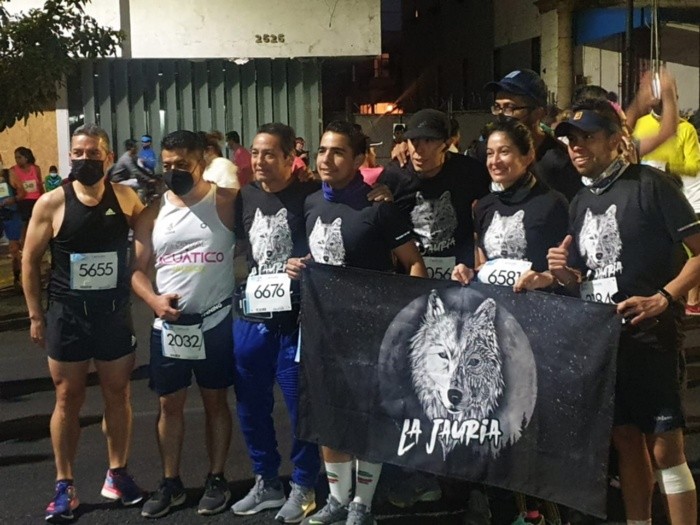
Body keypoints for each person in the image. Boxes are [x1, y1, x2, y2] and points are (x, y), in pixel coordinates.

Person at [518, 99, 699, 525]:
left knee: (665, 448)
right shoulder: (580, 200)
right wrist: (557, 276)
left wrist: (664, 297)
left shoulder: (651, 185)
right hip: (604, 342)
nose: (577, 147)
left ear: (617, 140)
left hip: (652, 336)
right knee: (625, 441)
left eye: (588, 137)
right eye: (571, 140)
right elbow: (585, 277)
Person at [287, 120, 427, 525]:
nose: (327, 159)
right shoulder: (311, 202)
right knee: (328, 418)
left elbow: (413, 263)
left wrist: (406, 318)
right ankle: (336, 500)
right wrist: (299, 265)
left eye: (338, 152)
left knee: (368, 420)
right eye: (322, 150)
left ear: (358, 159)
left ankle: (362, 505)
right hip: (321, 331)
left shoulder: (379, 206)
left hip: (370, 334)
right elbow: (322, 256)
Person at [21, 124, 145, 522]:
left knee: (118, 393)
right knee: (67, 397)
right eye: (78, 153)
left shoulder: (125, 198)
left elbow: (152, 236)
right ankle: (65, 485)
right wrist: (35, 314)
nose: (85, 159)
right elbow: (29, 262)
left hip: (112, 313)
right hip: (68, 315)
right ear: (70, 155)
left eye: (93, 153)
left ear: (108, 158)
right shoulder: (52, 203)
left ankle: (117, 473)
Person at [453, 117, 568, 525]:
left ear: (527, 156)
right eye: (489, 153)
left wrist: (545, 278)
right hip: (494, 329)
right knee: (495, 419)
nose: (495, 161)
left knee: (531, 422)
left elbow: (571, 270)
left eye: (504, 152)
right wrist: (468, 272)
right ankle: (506, 509)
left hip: (538, 327)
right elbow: (483, 260)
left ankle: (542, 510)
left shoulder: (553, 204)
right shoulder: (483, 206)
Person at [131, 130, 237, 518]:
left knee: (215, 402)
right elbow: (136, 271)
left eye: (182, 164)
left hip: (215, 321)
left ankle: (216, 477)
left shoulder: (224, 202)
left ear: (202, 162)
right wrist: (154, 301)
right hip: (170, 328)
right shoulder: (153, 212)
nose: (173, 171)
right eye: (167, 165)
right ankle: (170, 481)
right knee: (168, 405)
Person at [230, 122, 322, 523]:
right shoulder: (244, 196)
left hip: (296, 320)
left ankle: (304, 484)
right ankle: (266, 480)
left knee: (300, 407)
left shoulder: (311, 196)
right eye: (255, 153)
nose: (260, 161)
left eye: (269, 154)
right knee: (250, 405)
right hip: (252, 317)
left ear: (290, 158)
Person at [380, 109, 491, 278]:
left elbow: (493, 210)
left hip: (459, 276)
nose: (419, 149)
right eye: (413, 140)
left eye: (429, 140)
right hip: (410, 278)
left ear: (447, 143)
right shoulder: (394, 175)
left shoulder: (469, 171)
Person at [0, 155, 23, 290]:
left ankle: (17, 278)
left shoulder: (9, 174)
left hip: (11, 214)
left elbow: (22, 193)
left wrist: (13, 199)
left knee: (15, 249)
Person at [10, 146, 44, 225]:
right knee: (25, 223)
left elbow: (40, 186)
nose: (17, 160)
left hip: (36, 200)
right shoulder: (13, 170)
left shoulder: (35, 169)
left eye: (19, 157)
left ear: (26, 158)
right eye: (15, 158)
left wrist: (43, 198)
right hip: (22, 201)